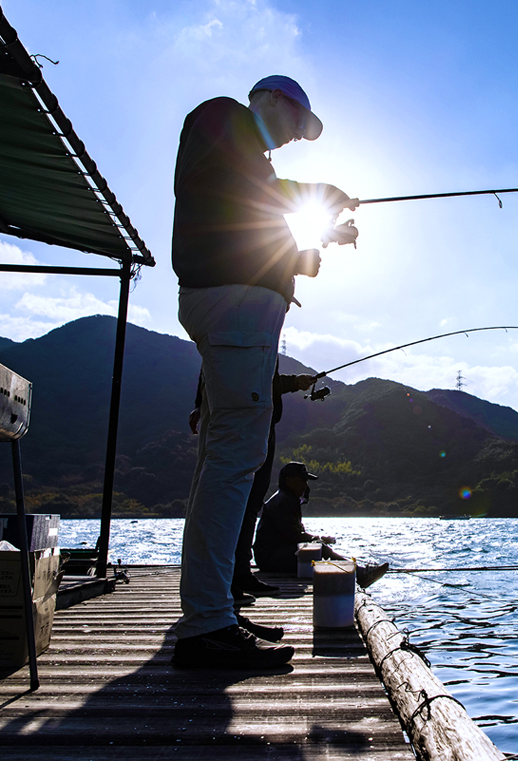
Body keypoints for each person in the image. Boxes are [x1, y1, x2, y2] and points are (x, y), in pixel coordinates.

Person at [171, 75, 356, 670]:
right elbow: (247, 191)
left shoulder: (248, 160)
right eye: (296, 123)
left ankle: (215, 607)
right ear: (272, 99)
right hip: (233, 312)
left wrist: (313, 246)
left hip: (238, 311)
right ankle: (207, 627)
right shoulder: (221, 117)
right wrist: (316, 194)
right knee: (232, 462)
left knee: (222, 462)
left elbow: (248, 223)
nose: (296, 137)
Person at [188, 366, 315, 601]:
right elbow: (251, 378)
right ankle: (231, 580)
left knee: (249, 504)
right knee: (241, 502)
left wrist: (199, 401)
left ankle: (238, 575)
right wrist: (293, 383)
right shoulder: (252, 332)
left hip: (261, 423)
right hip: (249, 424)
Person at [254, 462, 389, 588]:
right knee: (318, 548)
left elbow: (293, 534)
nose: (305, 485)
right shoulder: (283, 502)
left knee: (317, 547)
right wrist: (319, 541)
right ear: (289, 481)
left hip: (271, 555)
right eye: (302, 480)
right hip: (269, 558)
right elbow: (293, 536)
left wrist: (317, 540)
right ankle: (356, 572)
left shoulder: (286, 499)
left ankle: (353, 570)